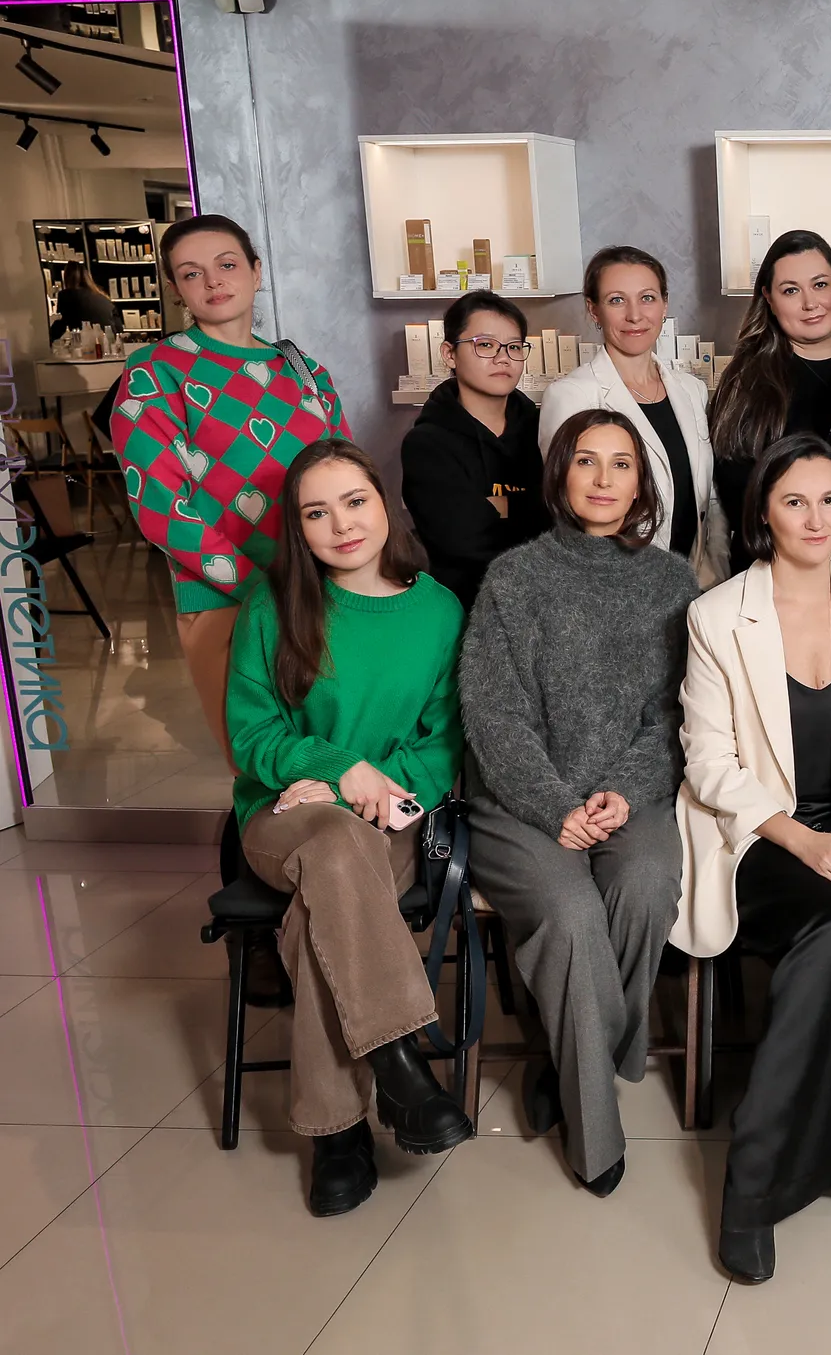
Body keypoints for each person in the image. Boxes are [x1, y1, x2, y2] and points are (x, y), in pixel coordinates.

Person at [673, 432, 831, 1284]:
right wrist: (802, 839)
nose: (816, 518)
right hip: (762, 829)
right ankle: (755, 1180)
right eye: (795, 501)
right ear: (765, 512)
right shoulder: (718, 614)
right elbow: (710, 762)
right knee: (829, 931)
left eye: (830, 500)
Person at [226, 438, 470, 1216]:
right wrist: (338, 770)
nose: (341, 525)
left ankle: (338, 1132)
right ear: (296, 527)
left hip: (390, 819)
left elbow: (441, 744)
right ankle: (401, 1066)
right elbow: (252, 735)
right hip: (282, 814)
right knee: (329, 842)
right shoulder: (272, 604)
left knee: (320, 906)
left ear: (383, 501)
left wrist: (364, 786)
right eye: (316, 512)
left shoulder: (438, 610)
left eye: (355, 501)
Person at [461, 409, 701, 1196]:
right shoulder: (514, 577)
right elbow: (494, 716)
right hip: (518, 800)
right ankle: (595, 1130)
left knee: (646, 883)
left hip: (631, 793)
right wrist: (554, 803)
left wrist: (623, 792)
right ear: (559, 472)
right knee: (570, 912)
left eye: (621, 463)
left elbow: (679, 712)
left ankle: (569, 1055)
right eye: (586, 461)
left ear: (642, 482)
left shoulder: (674, 581)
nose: (603, 479)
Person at [112, 213, 348, 762]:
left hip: (322, 592)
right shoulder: (154, 372)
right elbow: (160, 508)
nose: (213, 281)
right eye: (191, 273)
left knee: (340, 756)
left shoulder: (304, 372)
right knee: (264, 764)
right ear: (176, 289)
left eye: (227, 264)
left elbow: (348, 480)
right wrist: (265, 593)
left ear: (256, 272)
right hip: (225, 597)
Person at [705, 231, 831, 574]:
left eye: (820, 284)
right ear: (768, 298)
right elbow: (739, 496)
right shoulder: (746, 380)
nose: (810, 303)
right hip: (777, 569)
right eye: (791, 291)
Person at [539, 246, 714, 564]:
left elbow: (709, 498)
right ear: (594, 310)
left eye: (647, 298)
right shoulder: (571, 396)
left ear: (664, 304)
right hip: (620, 581)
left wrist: (717, 570)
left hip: (694, 577)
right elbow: (569, 510)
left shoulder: (692, 390)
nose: (635, 315)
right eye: (617, 300)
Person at [400, 289, 549, 607]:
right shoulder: (427, 445)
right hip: (470, 608)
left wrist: (499, 510)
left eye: (514, 347)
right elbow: (466, 545)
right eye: (485, 345)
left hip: (551, 602)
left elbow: (568, 522)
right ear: (449, 354)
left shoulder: (545, 430)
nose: (502, 358)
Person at [50, 261, 118, 341]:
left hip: (88, 343)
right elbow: (117, 325)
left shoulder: (66, 295)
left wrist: (47, 338)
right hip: (110, 340)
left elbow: (60, 326)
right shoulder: (102, 296)